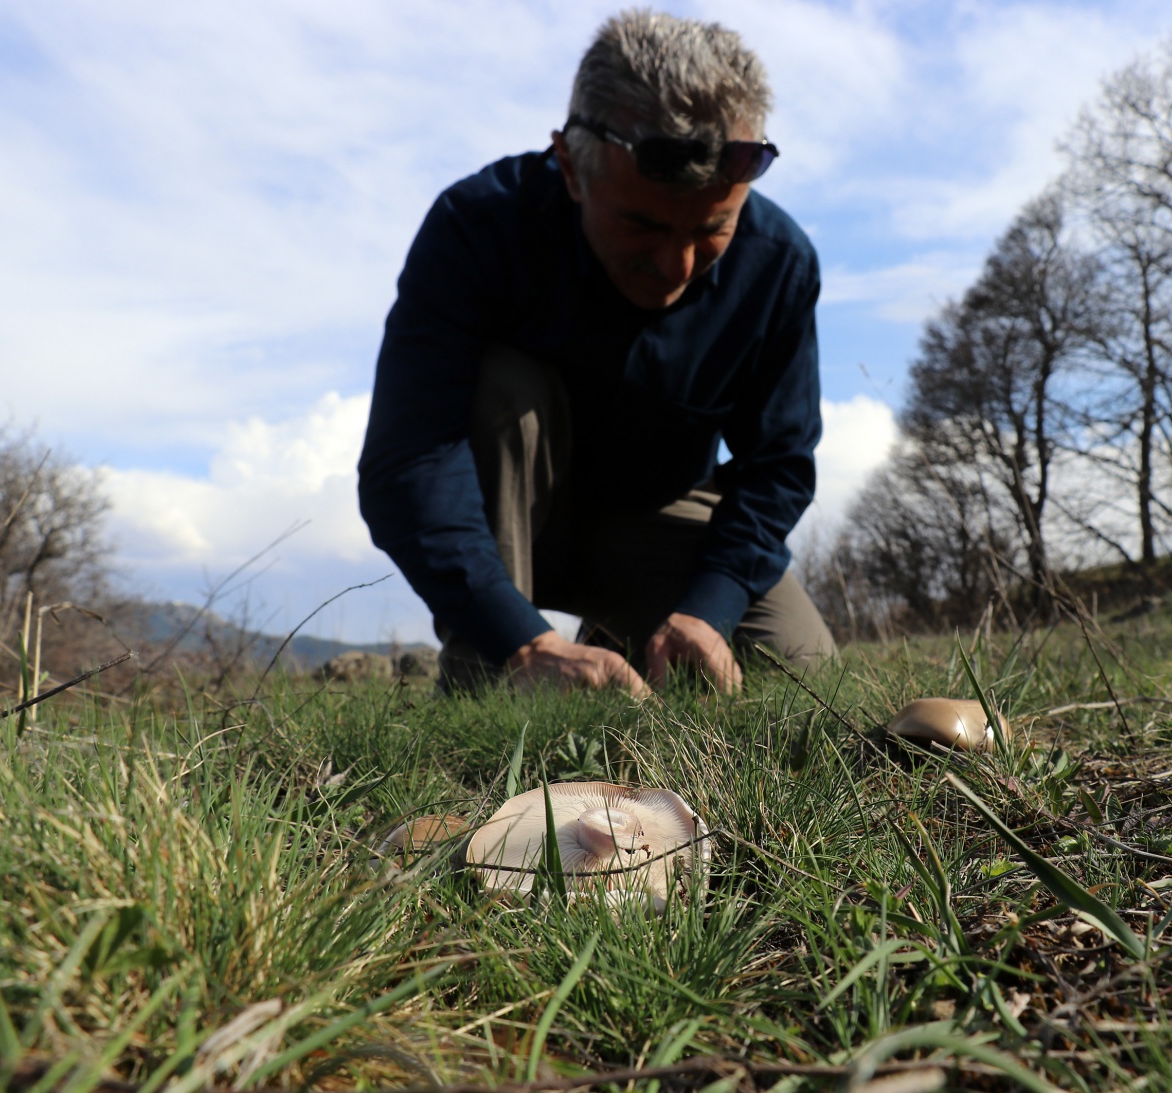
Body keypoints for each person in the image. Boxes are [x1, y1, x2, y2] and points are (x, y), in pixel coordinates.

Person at [358, 9, 836, 697]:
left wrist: (710, 608)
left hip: (657, 519)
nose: (675, 266)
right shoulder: (476, 230)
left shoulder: (780, 266)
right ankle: (490, 677)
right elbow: (410, 461)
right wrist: (522, 639)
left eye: (713, 228)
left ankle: (618, 642)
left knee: (801, 679)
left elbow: (778, 467)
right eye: (641, 223)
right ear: (571, 169)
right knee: (504, 388)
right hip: (503, 528)